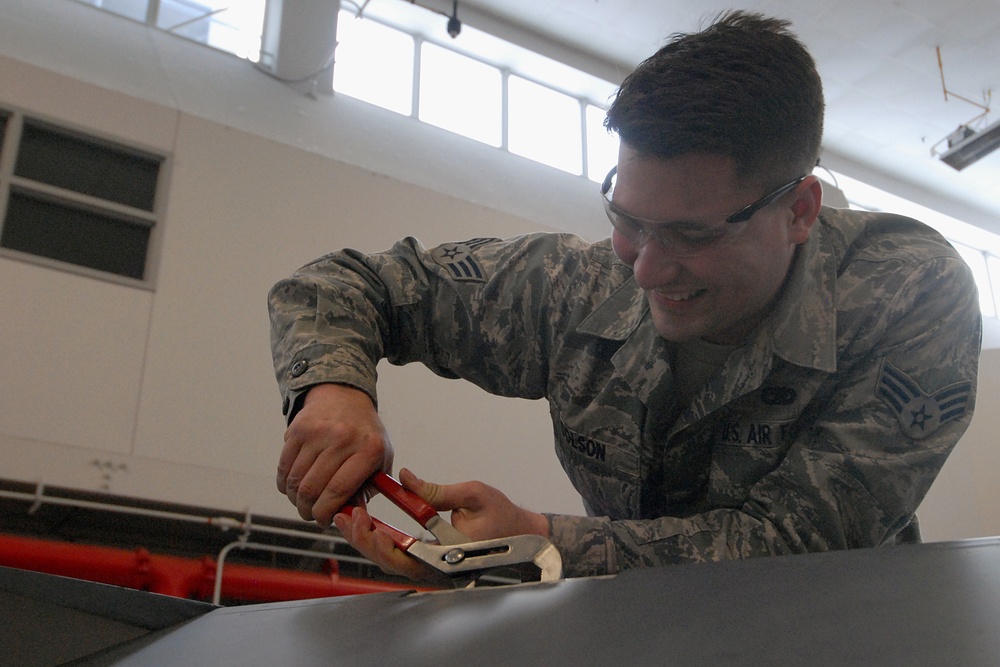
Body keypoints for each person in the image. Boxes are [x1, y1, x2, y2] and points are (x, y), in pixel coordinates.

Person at [268, 11, 981, 580]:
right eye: (627, 219)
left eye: (690, 234)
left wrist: (542, 542)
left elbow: (794, 549)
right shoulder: (572, 289)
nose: (643, 270)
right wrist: (333, 394)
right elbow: (340, 285)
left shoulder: (907, 294)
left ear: (798, 211)